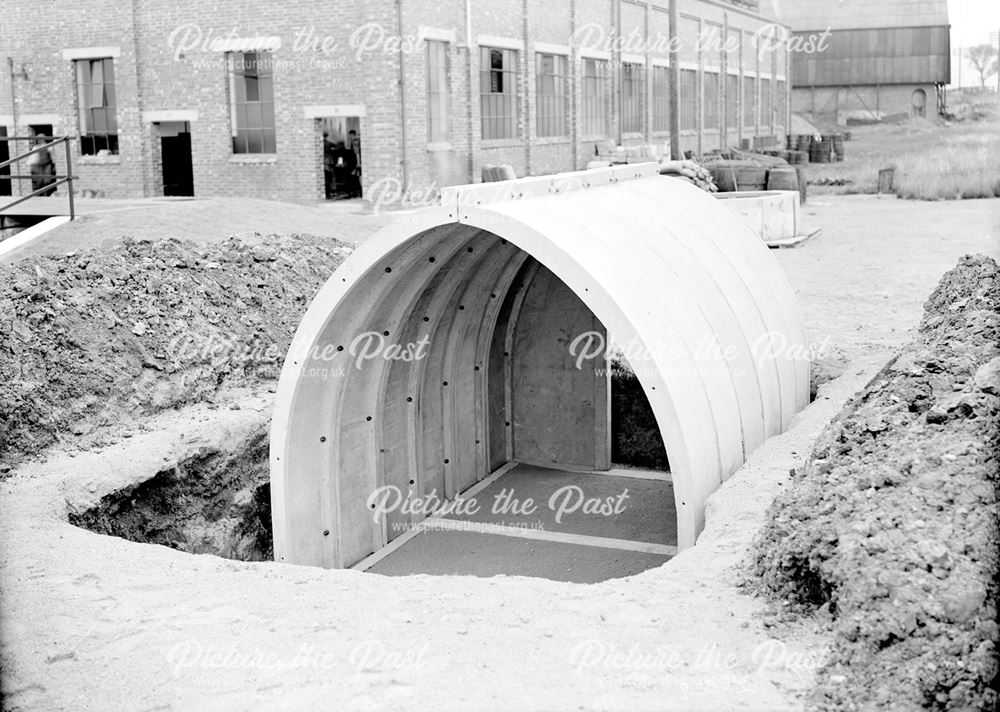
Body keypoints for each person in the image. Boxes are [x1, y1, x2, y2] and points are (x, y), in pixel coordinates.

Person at [347, 129, 362, 198]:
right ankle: (355, 192)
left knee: (359, 178)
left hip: (359, 165)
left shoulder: (360, 153)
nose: (355, 147)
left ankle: (360, 192)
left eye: (356, 145)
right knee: (354, 178)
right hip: (354, 165)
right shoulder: (352, 153)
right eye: (354, 145)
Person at [322, 132, 335, 198]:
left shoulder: (321, 143)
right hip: (328, 160)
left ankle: (327, 192)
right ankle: (329, 192)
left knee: (326, 176)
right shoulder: (329, 143)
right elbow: (335, 146)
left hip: (324, 160)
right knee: (329, 177)